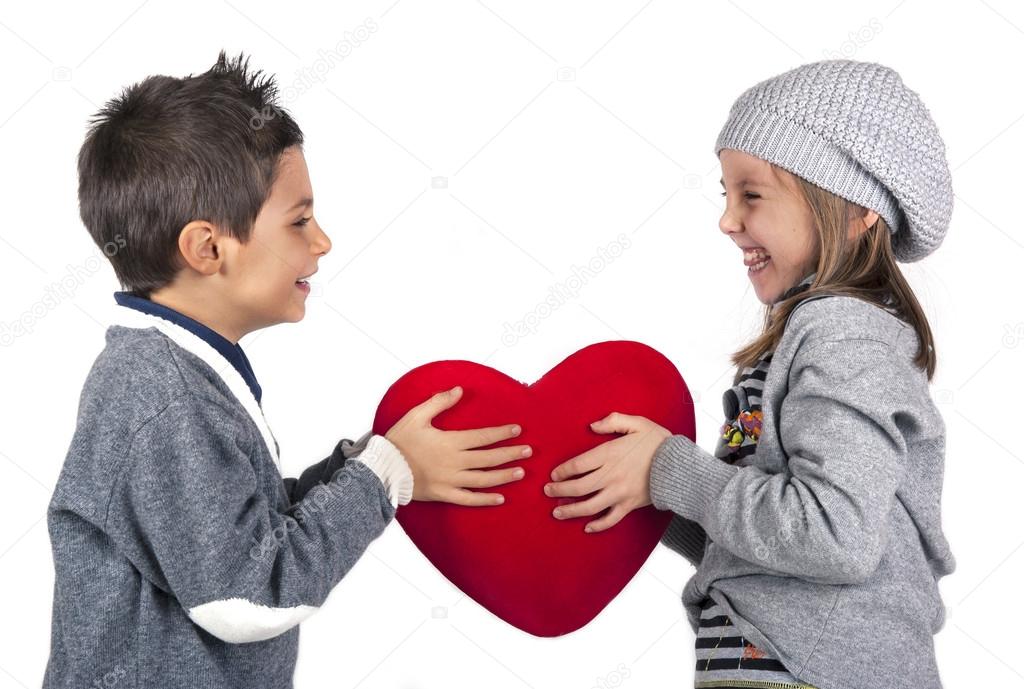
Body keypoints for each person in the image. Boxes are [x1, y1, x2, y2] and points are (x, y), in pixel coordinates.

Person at [43, 50, 533, 689]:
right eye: (299, 221)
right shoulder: (160, 394)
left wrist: (360, 466)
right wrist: (383, 477)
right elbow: (249, 594)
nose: (322, 241)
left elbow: (243, 526)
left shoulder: (177, 373)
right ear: (207, 248)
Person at [544, 59, 957, 689]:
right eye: (726, 194)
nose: (728, 220)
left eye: (752, 194)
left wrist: (672, 471)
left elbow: (830, 535)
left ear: (856, 211)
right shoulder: (814, 334)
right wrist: (651, 493)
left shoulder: (844, 335)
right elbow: (773, 544)